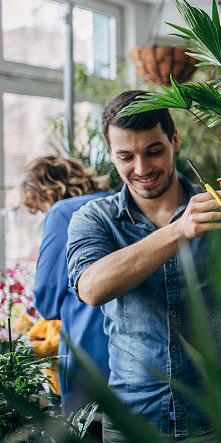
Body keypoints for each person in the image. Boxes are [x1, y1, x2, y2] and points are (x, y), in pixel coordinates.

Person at [66, 90, 221, 440]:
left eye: (153, 151)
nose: (142, 169)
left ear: (174, 140)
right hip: (131, 421)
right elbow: (92, 288)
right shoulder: (95, 219)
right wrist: (178, 231)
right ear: (110, 154)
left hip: (217, 416)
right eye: (126, 156)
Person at [22, 155, 111, 416]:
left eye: (38, 206)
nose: (41, 213)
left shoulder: (62, 213)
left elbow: (46, 299)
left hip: (89, 355)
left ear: (45, 191)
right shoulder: (115, 200)